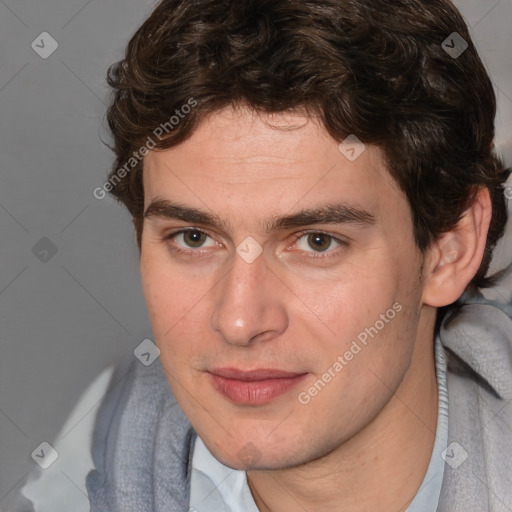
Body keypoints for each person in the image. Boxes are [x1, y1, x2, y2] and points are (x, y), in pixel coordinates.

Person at [8, 0, 512, 511]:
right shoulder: (73, 473)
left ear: (451, 248)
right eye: (194, 238)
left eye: (317, 242)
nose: (240, 320)